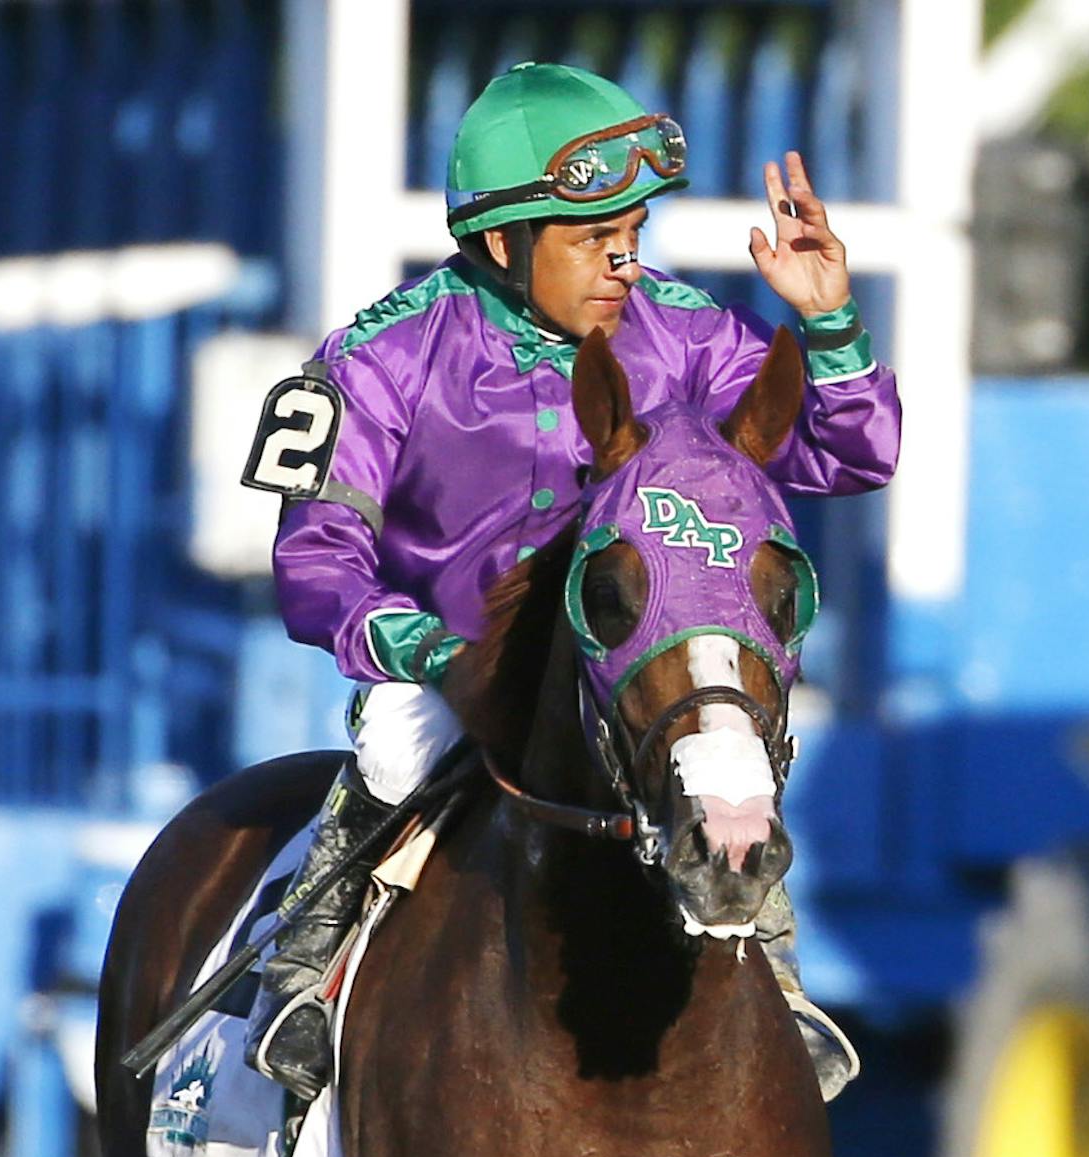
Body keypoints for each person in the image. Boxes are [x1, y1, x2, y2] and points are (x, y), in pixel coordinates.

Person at [245, 61, 900, 1102]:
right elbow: (314, 562)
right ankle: (307, 965)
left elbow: (847, 456)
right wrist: (422, 647)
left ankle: (774, 965)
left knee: (730, 735)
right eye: (595, 242)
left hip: (638, 655)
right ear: (503, 241)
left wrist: (827, 322)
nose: (623, 265)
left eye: (633, 236)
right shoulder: (375, 360)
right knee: (396, 736)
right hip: (457, 665)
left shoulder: (685, 334)